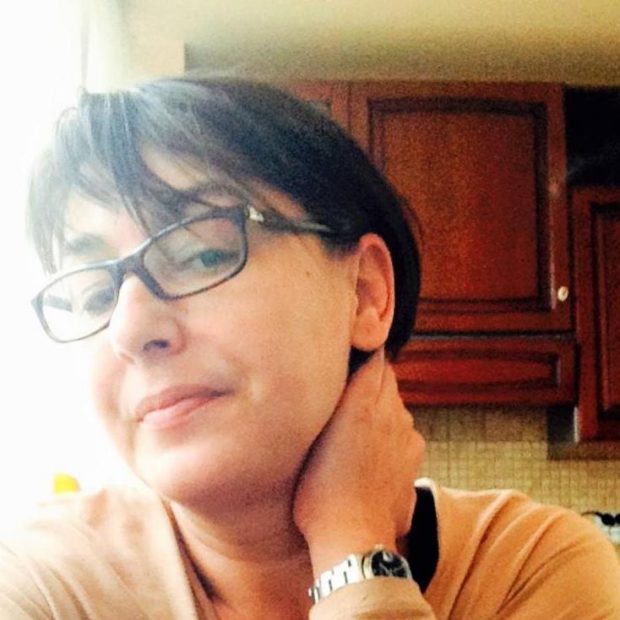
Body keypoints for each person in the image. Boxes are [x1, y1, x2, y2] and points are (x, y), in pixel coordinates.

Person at [1, 77, 618, 619]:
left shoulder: (529, 568)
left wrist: (354, 550)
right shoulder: (44, 584)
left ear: (365, 293)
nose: (129, 330)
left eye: (204, 254)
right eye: (92, 294)